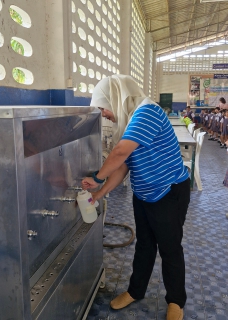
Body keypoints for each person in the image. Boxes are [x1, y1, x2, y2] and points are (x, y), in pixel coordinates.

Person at [81, 75, 190, 320]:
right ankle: (135, 291)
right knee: (144, 245)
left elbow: (119, 153)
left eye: (103, 108)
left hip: (168, 191)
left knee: (170, 248)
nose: (104, 115)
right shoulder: (130, 120)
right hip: (144, 193)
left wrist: (97, 178)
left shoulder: (147, 112)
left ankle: (176, 301)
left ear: (116, 98)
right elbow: (123, 165)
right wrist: (100, 193)